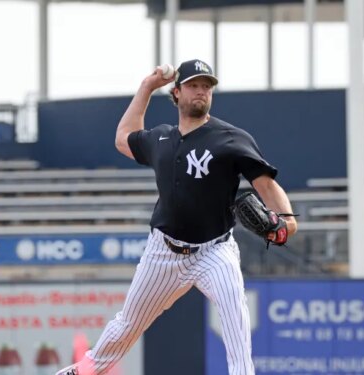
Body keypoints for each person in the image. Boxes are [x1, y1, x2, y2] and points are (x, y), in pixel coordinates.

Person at [55, 59, 298, 375]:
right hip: (164, 252)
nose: (201, 92)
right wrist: (146, 87)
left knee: (237, 321)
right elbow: (123, 137)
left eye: (207, 87)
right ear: (177, 92)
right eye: (194, 85)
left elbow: (266, 183)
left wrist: (287, 219)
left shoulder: (230, 138)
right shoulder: (161, 139)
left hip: (215, 250)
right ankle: (82, 372)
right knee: (128, 324)